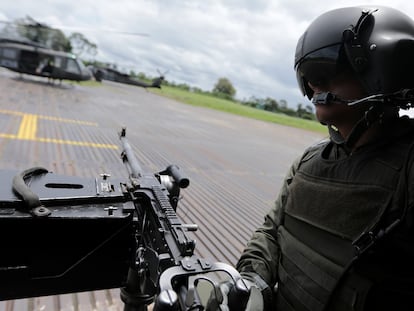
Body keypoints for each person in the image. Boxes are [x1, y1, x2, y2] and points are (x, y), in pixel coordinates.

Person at [217, 5, 414, 311]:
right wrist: (253, 282)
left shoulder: (408, 169)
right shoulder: (309, 160)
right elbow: (271, 230)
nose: (312, 83)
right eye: (308, 73)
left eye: (325, 70)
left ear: (385, 69)